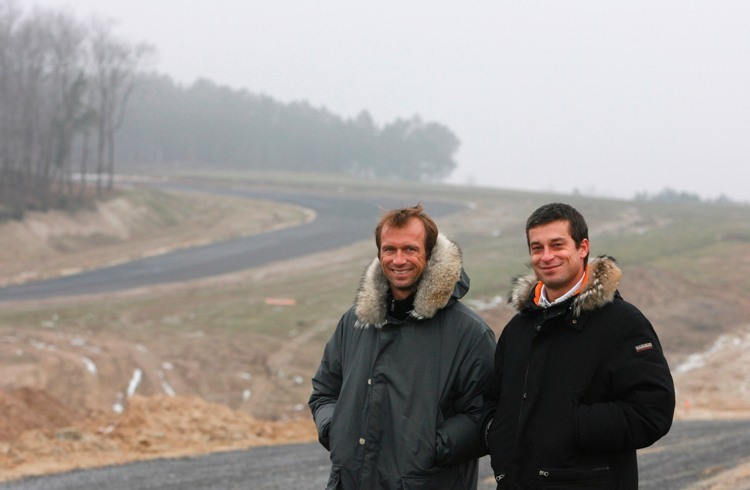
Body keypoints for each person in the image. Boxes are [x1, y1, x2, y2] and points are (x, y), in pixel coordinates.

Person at [481, 203, 675, 490]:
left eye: (557, 245)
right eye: (537, 248)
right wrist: (494, 434)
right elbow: (494, 401)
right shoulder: (517, 330)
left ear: (582, 247)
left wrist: (571, 425)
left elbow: (652, 411)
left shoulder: (622, 323)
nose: (546, 256)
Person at [309, 204, 496, 490]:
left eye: (410, 249)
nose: (398, 260)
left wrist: (430, 448)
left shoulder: (469, 332)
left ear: (430, 254)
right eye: (389, 249)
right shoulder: (356, 321)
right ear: (379, 253)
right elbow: (325, 391)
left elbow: (484, 413)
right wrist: (336, 431)